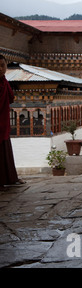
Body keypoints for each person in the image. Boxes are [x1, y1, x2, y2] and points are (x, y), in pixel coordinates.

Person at [0, 54, 25, 190]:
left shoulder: (4, 82)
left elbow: (10, 98)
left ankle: (9, 178)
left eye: (2, 65)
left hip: (3, 123)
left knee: (5, 152)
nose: (0, 69)